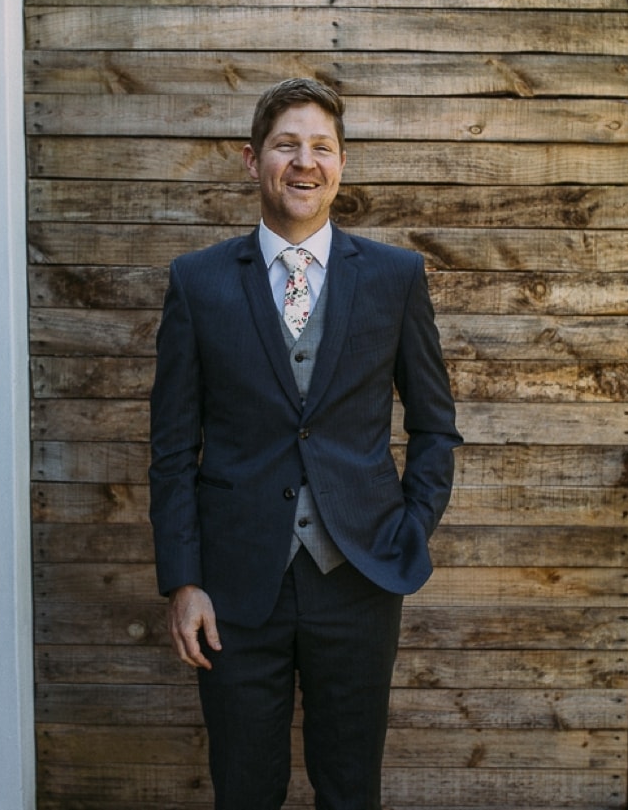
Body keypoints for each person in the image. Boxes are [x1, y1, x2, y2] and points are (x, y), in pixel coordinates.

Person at [148, 79, 463, 810]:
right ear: (252, 158)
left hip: (358, 577)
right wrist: (183, 579)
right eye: (287, 144)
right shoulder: (196, 283)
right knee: (244, 791)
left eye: (321, 146)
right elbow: (170, 447)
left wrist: (408, 527)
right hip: (232, 588)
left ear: (341, 165)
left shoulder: (394, 277)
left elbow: (435, 423)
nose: (304, 161)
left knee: (350, 790)